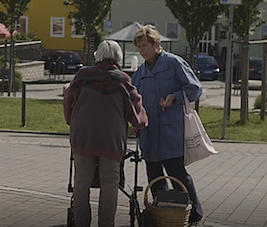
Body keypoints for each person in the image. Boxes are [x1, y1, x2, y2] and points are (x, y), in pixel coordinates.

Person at [63, 40, 148, 227]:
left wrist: (71, 120)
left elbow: (68, 99)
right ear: (118, 57)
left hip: (83, 136)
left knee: (82, 182)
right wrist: (140, 122)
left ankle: (81, 223)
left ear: (97, 55)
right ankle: (106, 224)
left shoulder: (82, 75)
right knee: (110, 182)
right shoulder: (122, 79)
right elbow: (136, 107)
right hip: (111, 138)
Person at [131, 25, 204, 226]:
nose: (141, 50)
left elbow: (195, 89)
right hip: (150, 134)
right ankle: (164, 214)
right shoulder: (140, 72)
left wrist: (176, 96)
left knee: (178, 174)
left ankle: (194, 215)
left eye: (144, 45)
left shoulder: (173, 64)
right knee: (154, 176)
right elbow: (133, 99)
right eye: (138, 46)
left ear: (156, 45)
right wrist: (134, 121)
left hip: (172, 131)